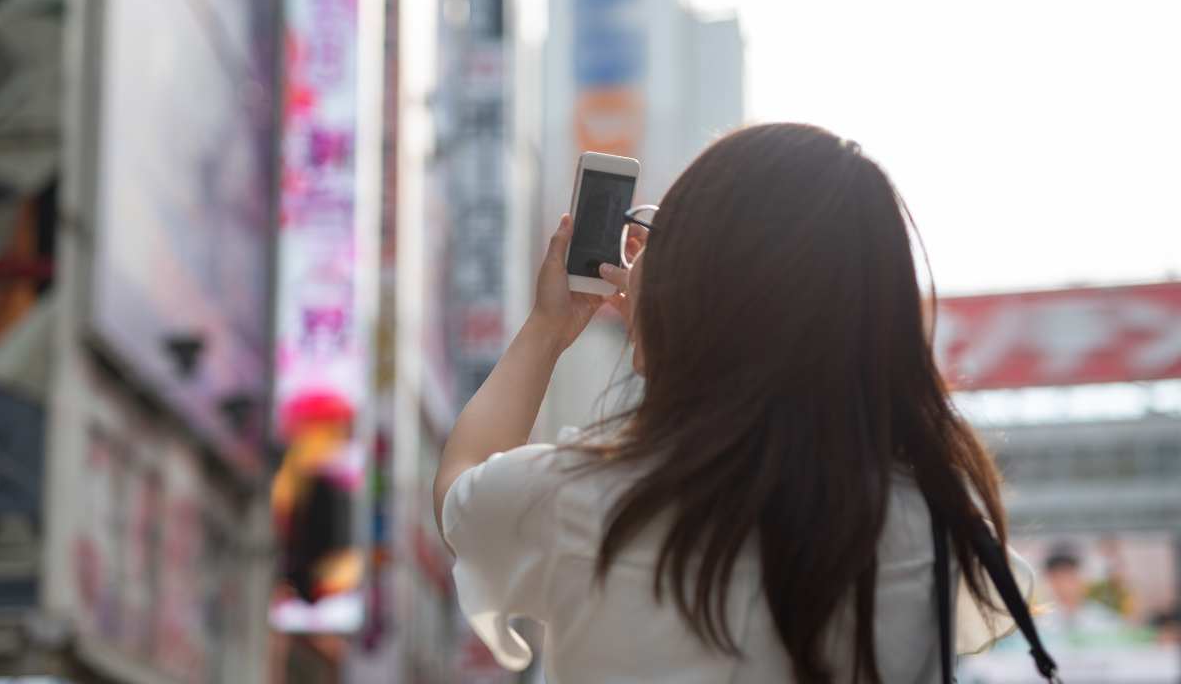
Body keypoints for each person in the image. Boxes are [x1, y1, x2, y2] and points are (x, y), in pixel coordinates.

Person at [434, 123, 1029, 682]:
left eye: (658, 238)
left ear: (700, 290)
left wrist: (545, 329)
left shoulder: (581, 500)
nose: (637, 264)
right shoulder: (940, 527)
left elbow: (461, 485)